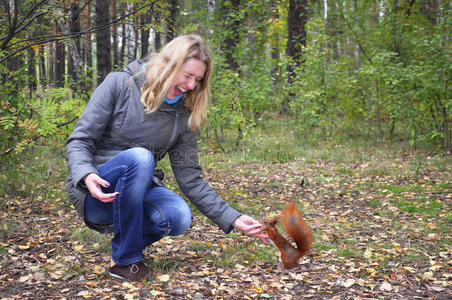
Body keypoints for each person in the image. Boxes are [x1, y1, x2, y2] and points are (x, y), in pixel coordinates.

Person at [65, 34, 269, 282]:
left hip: (137, 190)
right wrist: (86, 174)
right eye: (187, 75)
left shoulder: (184, 115)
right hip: (96, 191)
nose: (192, 85)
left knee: (178, 217)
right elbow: (80, 140)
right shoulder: (119, 84)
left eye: (198, 80)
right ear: (168, 65)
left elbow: (190, 178)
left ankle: (121, 253)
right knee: (141, 157)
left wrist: (233, 218)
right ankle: (127, 261)